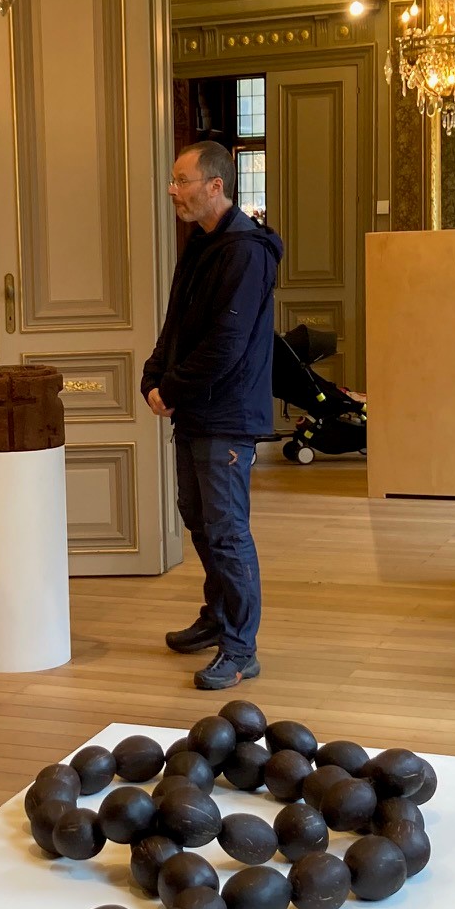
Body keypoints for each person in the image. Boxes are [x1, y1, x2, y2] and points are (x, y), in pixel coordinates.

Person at [142, 140, 284, 692]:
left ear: (216, 185)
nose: (173, 190)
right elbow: (177, 323)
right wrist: (153, 377)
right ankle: (218, 616)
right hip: (197, 407)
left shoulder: (246, 251)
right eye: (174, 180)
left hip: (227, 413)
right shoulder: (201, 244)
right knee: (198, 518)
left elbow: (227, 342)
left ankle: (241, 649)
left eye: (182, 180)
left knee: (226, 532)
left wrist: (173, 389)